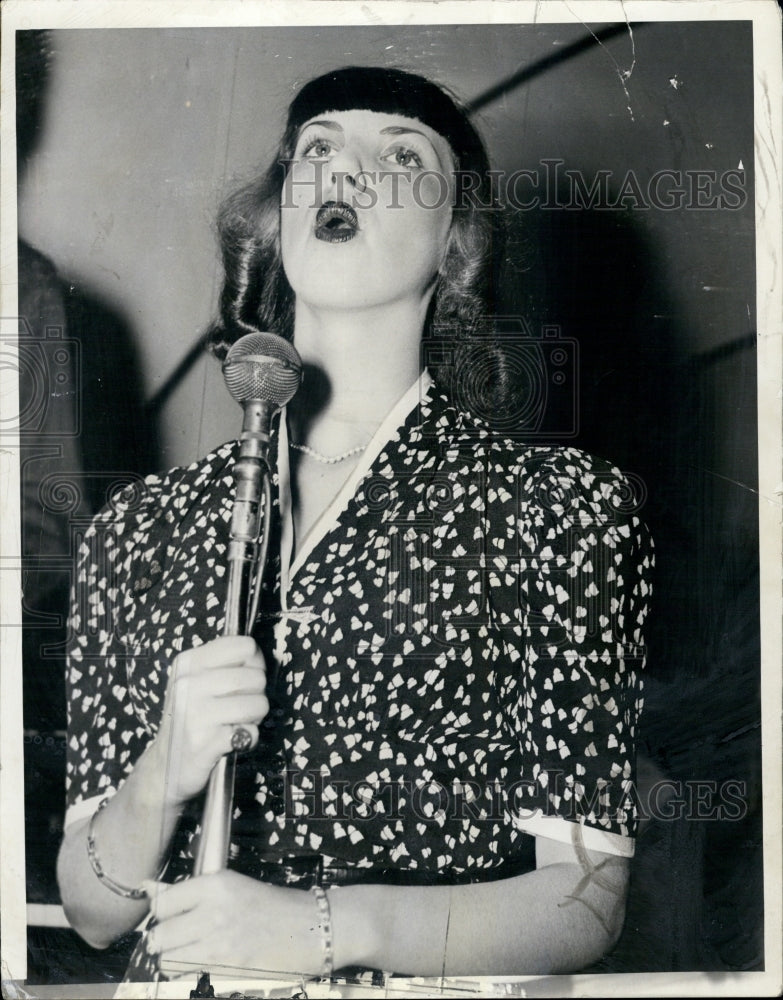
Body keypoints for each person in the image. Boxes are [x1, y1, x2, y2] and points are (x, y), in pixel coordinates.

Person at [57, 66, 653, 985]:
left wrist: (322, 930)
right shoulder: (140, 530)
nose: (345, 172)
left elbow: (584, 900)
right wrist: (163, 771)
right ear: (277, 213)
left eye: (401, 156)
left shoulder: (560, 512)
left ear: (457, 242)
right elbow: (94, 913)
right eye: (318, 149)